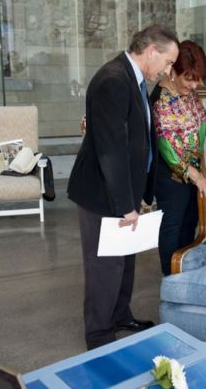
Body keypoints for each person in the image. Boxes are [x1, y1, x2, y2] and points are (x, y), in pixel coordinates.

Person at [67, 25, 179, 350]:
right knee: (105, 267)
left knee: (124, 262)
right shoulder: (114, 80)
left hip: (123, 192)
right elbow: (110, 149)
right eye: (169, 62)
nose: (168, 70)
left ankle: (119, 316)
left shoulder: (134, 79)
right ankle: (100, 335)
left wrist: (139, 195)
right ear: (151, 51)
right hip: (102, 194)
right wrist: (124, 204)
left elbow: (138, 137)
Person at [150, 40, 206, 276]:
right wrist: (198, 178)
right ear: (172, 70)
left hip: (193, 175)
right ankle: (171, 280)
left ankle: (184, 272)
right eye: (189, 79)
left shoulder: (188, 94)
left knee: (190, 223)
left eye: (198, 79)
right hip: (172, 177)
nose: (195, 85)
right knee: (172, 228)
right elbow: (166, 148)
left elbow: (203, 119)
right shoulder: (162, 99)